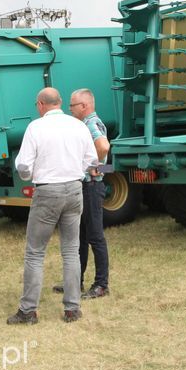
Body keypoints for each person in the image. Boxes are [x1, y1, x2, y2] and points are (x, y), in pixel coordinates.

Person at [7, 87, 98, 325]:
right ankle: (72, 308)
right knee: (71, 250)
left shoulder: (36, 128)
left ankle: (28, 310)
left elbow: (24, 165)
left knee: (35, 252)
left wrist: (30, 174)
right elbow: (91, 160)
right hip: (74, 188)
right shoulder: (78, 125)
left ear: (40, 104)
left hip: (48, 190)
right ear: (59, 103)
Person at [70, 88, 111, 299]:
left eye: (72, 106)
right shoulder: (86, 124)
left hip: (91, 187)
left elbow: (104, 146)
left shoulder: (90, 124)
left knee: (95, 236)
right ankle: (76, 281)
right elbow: (109, 166)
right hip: (88, 186)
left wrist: (94, 166)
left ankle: (101, 285)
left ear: (84, 106)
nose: (70, 110)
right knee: (82, 236)